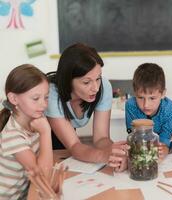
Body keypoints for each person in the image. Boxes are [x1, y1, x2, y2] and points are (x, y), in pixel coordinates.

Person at [45, 43, 127, 171]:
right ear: (68, 80)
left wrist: (114, 153)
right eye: (86, 82)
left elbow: (101, 138)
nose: (95, 88)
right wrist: (102, 155)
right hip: (40, 145)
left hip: (65, 145)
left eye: (98, 78)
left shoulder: (104, 87)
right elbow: (74, 145)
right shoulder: (51, 94)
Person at [0, 64, 53, 199]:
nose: (43, 104)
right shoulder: (13, 136)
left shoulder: (35, 119)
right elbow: (43, 177)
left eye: (46, 97)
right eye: (36, 98)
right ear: (13, 99)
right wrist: (46, 133)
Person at [125, 63, 172, 160]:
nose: (146, 105)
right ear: (135, 93)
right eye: (140, 97)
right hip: (141, 148)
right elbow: (133, 135)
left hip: (170, 150)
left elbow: (164, 145)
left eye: (152, 98)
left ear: (163, 93)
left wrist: (162, 150)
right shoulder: (130, 105)